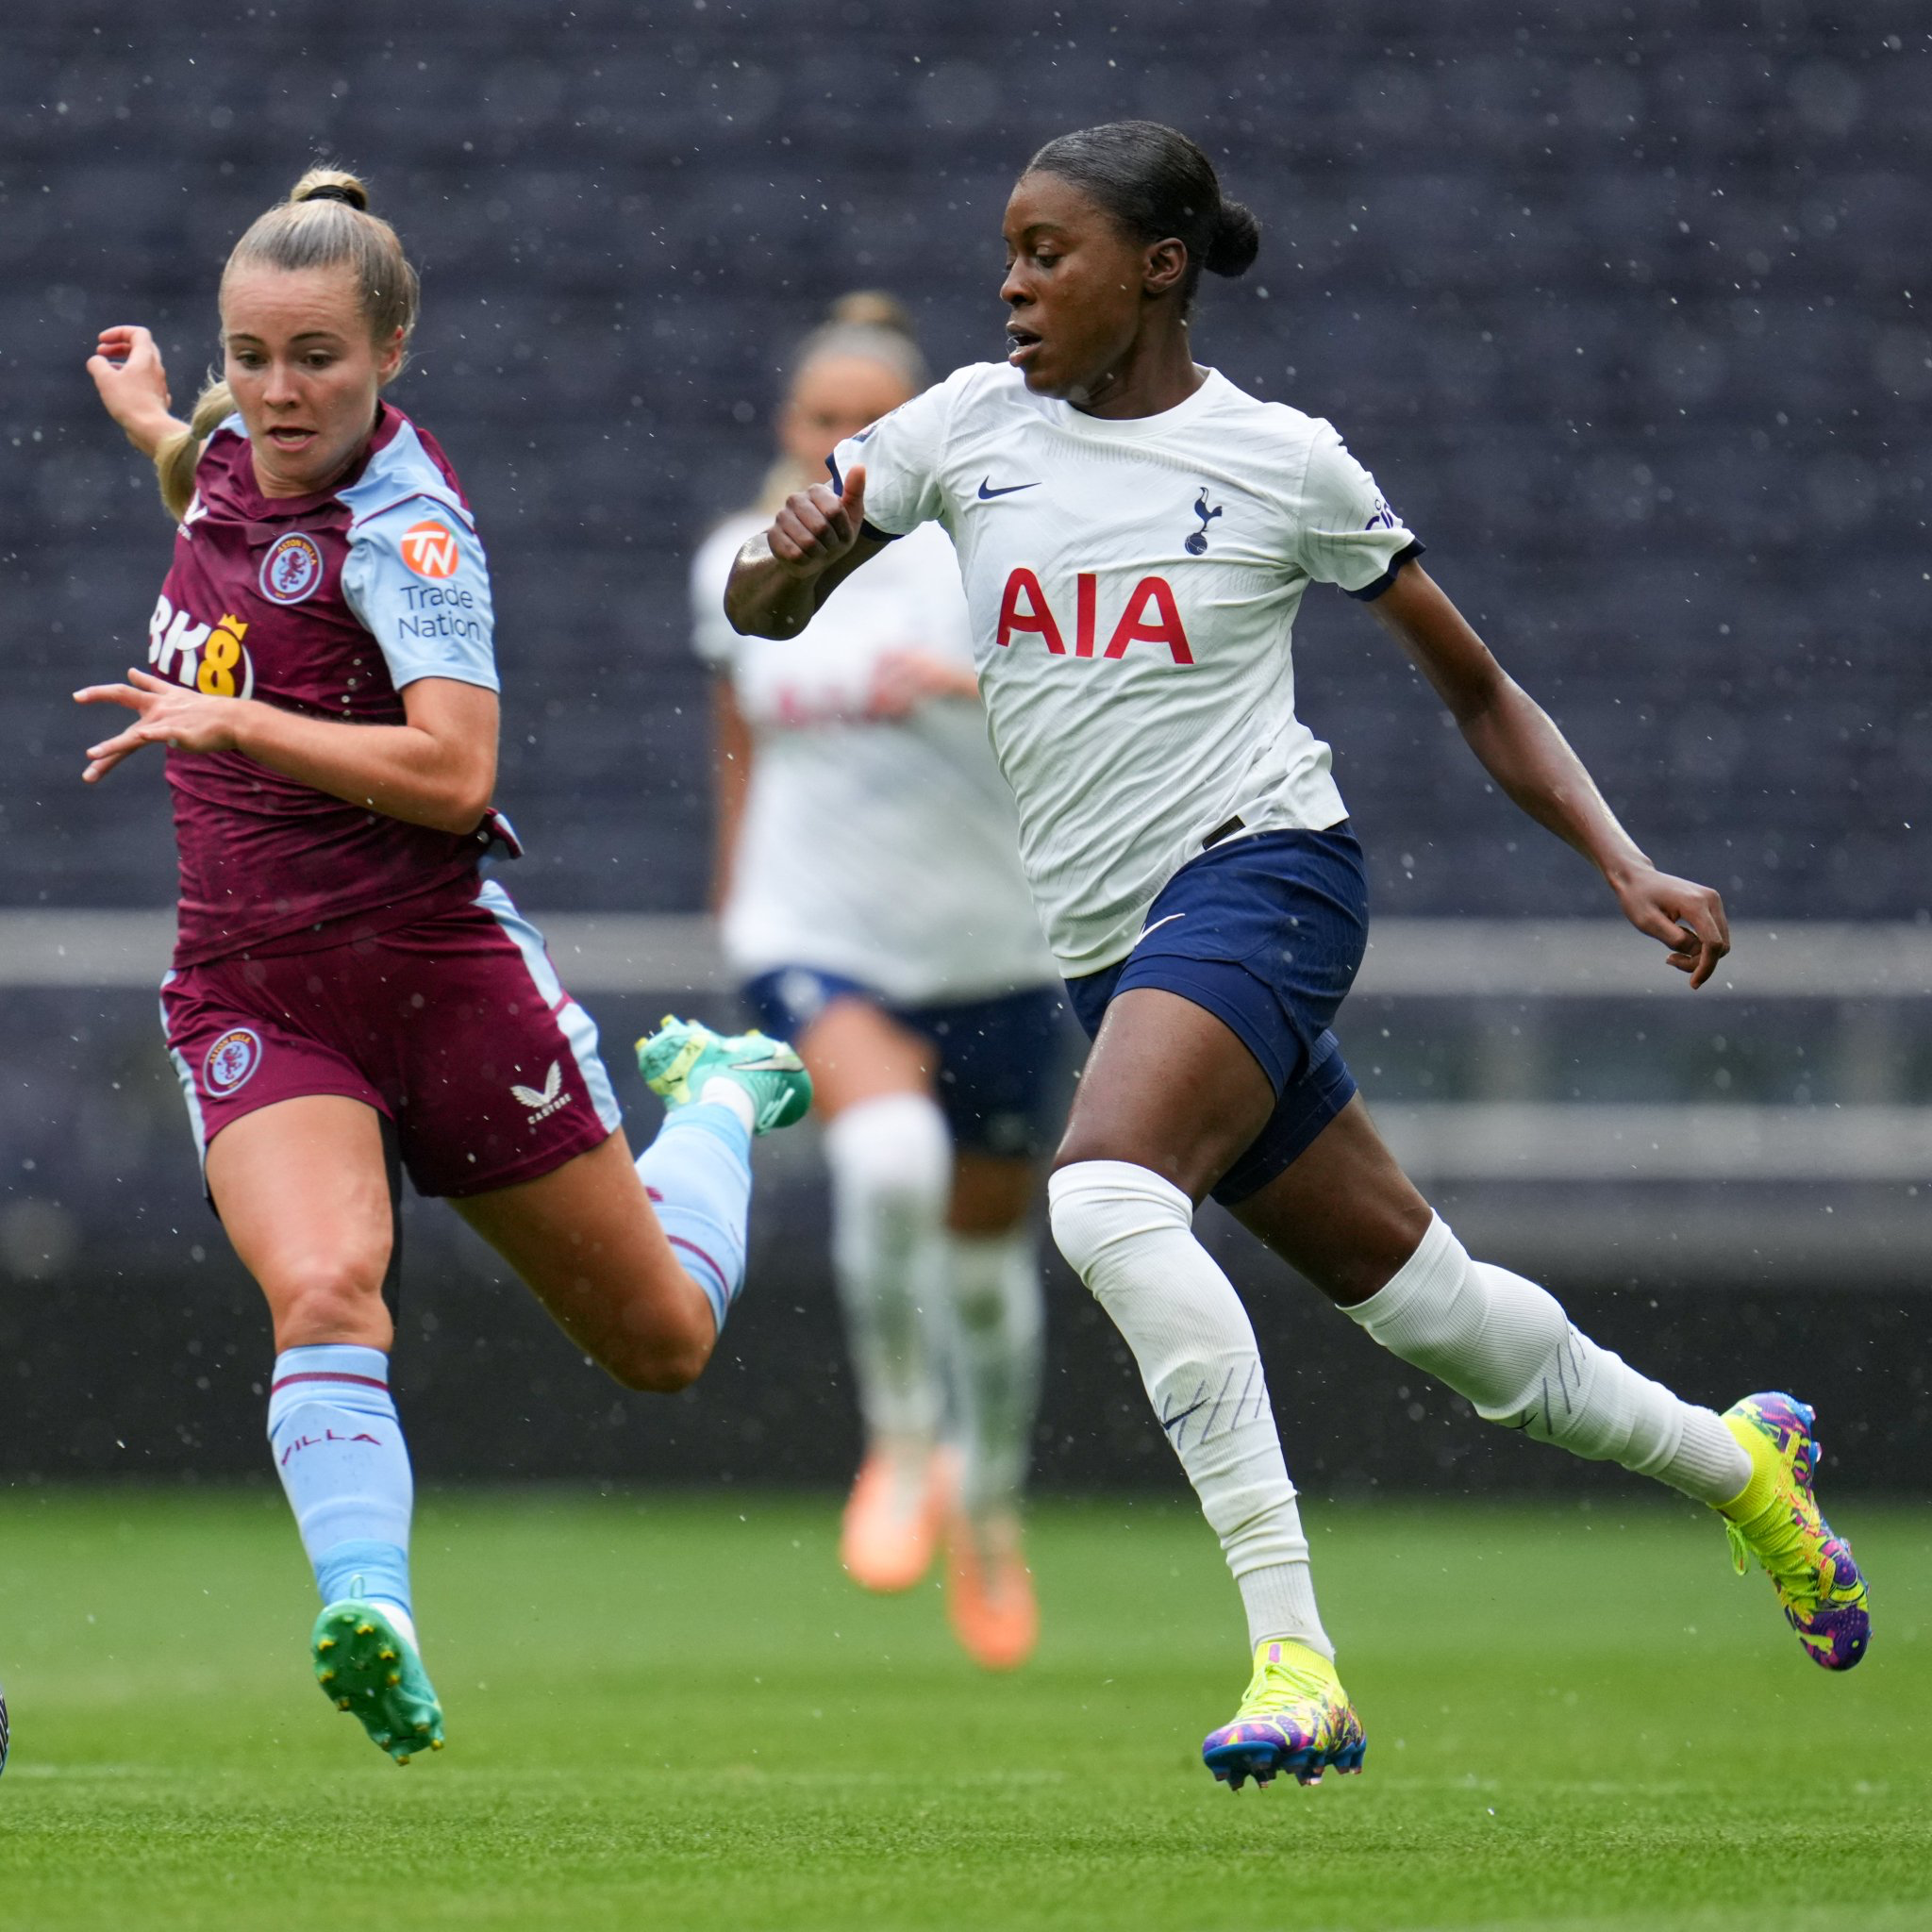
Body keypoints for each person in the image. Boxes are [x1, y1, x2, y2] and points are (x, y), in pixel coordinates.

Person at [723, 122, 1870, 1790]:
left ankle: (1295, 1656)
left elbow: (1477, 687)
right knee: (1442, 1314)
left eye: (1048, 253)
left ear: (1158, 269)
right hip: (1115, 954)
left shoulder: (1281, 462)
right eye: (1009, 253)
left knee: (1102, 1196)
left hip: (1265, 877)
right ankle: (1743, 1469)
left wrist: (1622, 861)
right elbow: (758, 615)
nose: (1013, 285)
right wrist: (789, 559)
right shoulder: (959, 428)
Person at [78, 167, 811, 1765]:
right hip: (254, 991)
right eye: (249, 356)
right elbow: (211, 482)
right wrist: (152, 421)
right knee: (326, 1284)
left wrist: (240, 722)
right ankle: (373, 1611)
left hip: (442, 984)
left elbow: (456, 772)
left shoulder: (409, 531)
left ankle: (717, 1102)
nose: (278, 393)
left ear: (391, 352)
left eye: (316, 359)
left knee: (661, 1345)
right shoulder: (234, 451)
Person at [690, 293, 1061, 1670]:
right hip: (821, 933)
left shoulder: (995, 561)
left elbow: (1087, 719)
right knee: (889, 1161)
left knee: (985, 1274)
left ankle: (991, 1503)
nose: (841, 443)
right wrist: (736, 897)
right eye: (821, 419)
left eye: (869, 422)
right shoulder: (739, 564)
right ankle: (900, 1443)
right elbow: (737, 734)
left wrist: (971, 691)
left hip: (997, 948)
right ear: (791, 429)